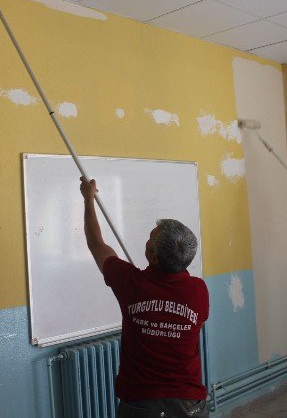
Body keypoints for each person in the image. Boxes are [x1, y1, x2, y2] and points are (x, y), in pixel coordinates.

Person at [80, 176, 209, 418]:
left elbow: (96, 244)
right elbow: (195, 326)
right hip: (189, 405)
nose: (147, 239)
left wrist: (88, 199)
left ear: (154, 256)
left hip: (141, 406)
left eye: (150, 238)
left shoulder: (130, 283)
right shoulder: (199, 290)